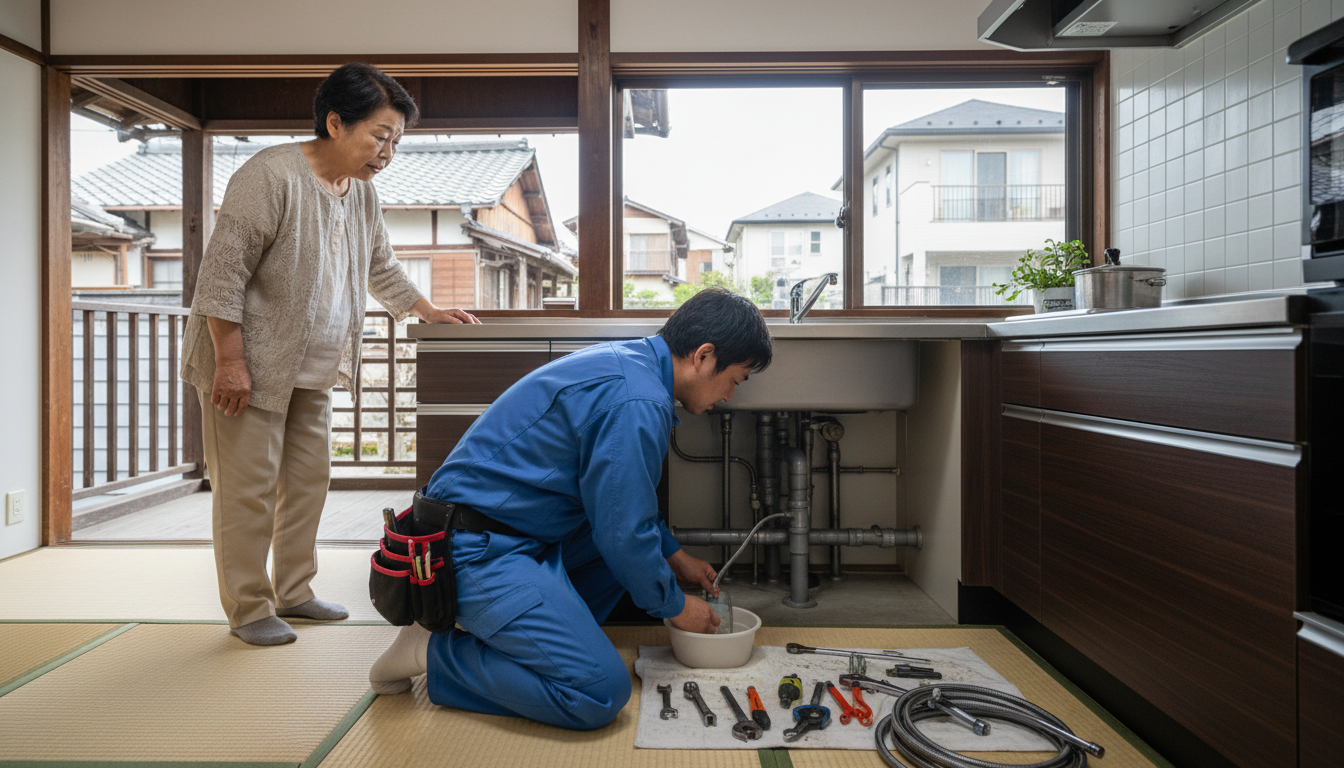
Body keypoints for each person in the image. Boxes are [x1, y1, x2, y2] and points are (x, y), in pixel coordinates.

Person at [368, 288, 773, 729]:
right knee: (599, 692)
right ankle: (428, 650)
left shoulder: (634, 368)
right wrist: (675, 606)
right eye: (734, 379)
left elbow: (621, 505)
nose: (730, 396)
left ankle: (522, 637)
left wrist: (673, 556)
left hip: (504, 533)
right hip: (472, 551)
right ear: (704, 355)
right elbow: (623, 533)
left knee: (618, 555)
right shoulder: (639, 402)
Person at [180, 62, 480, 646]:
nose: (388, 151)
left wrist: (428, 311)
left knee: (308, 481)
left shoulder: (360, 191)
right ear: (336, 123)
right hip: (245, 363)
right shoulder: (269, 175)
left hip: (312, 369)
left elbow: (380, 266)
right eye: (380, 136)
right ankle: (248, 608)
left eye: (396, 141)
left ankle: (294, 591)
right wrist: (231, 361)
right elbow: (220, 275)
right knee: (248, 489)